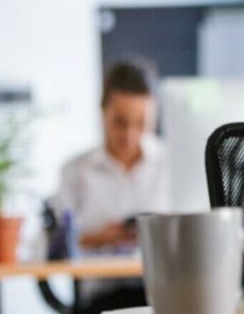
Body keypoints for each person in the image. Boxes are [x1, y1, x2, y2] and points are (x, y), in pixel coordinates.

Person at [55, 59, 170, 313]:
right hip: (101, 298)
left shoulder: (171, 164)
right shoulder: (75, 170)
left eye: (142, 123)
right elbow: (52, 246)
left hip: (162, 295)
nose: (130, 135)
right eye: (120, 122)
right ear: (102, 111)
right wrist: (99, 237)